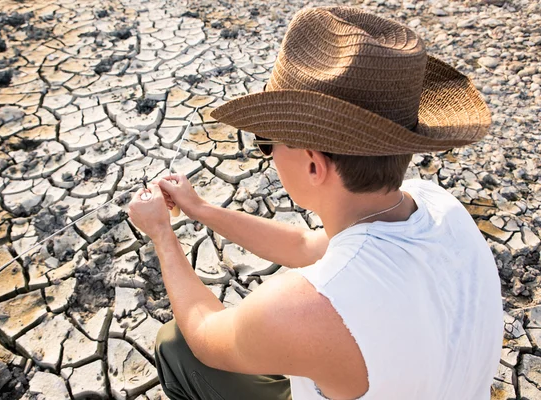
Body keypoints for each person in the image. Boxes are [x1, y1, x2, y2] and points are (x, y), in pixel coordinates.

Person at [127, 6, 503, 400]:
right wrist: (200, 209)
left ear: (313, 165)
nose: (267, 154)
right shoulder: (435, 203)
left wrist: (161, 235)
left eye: (267, 140)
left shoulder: (311, 306)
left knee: (176, 344)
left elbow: (204, 335)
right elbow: (304, 246)